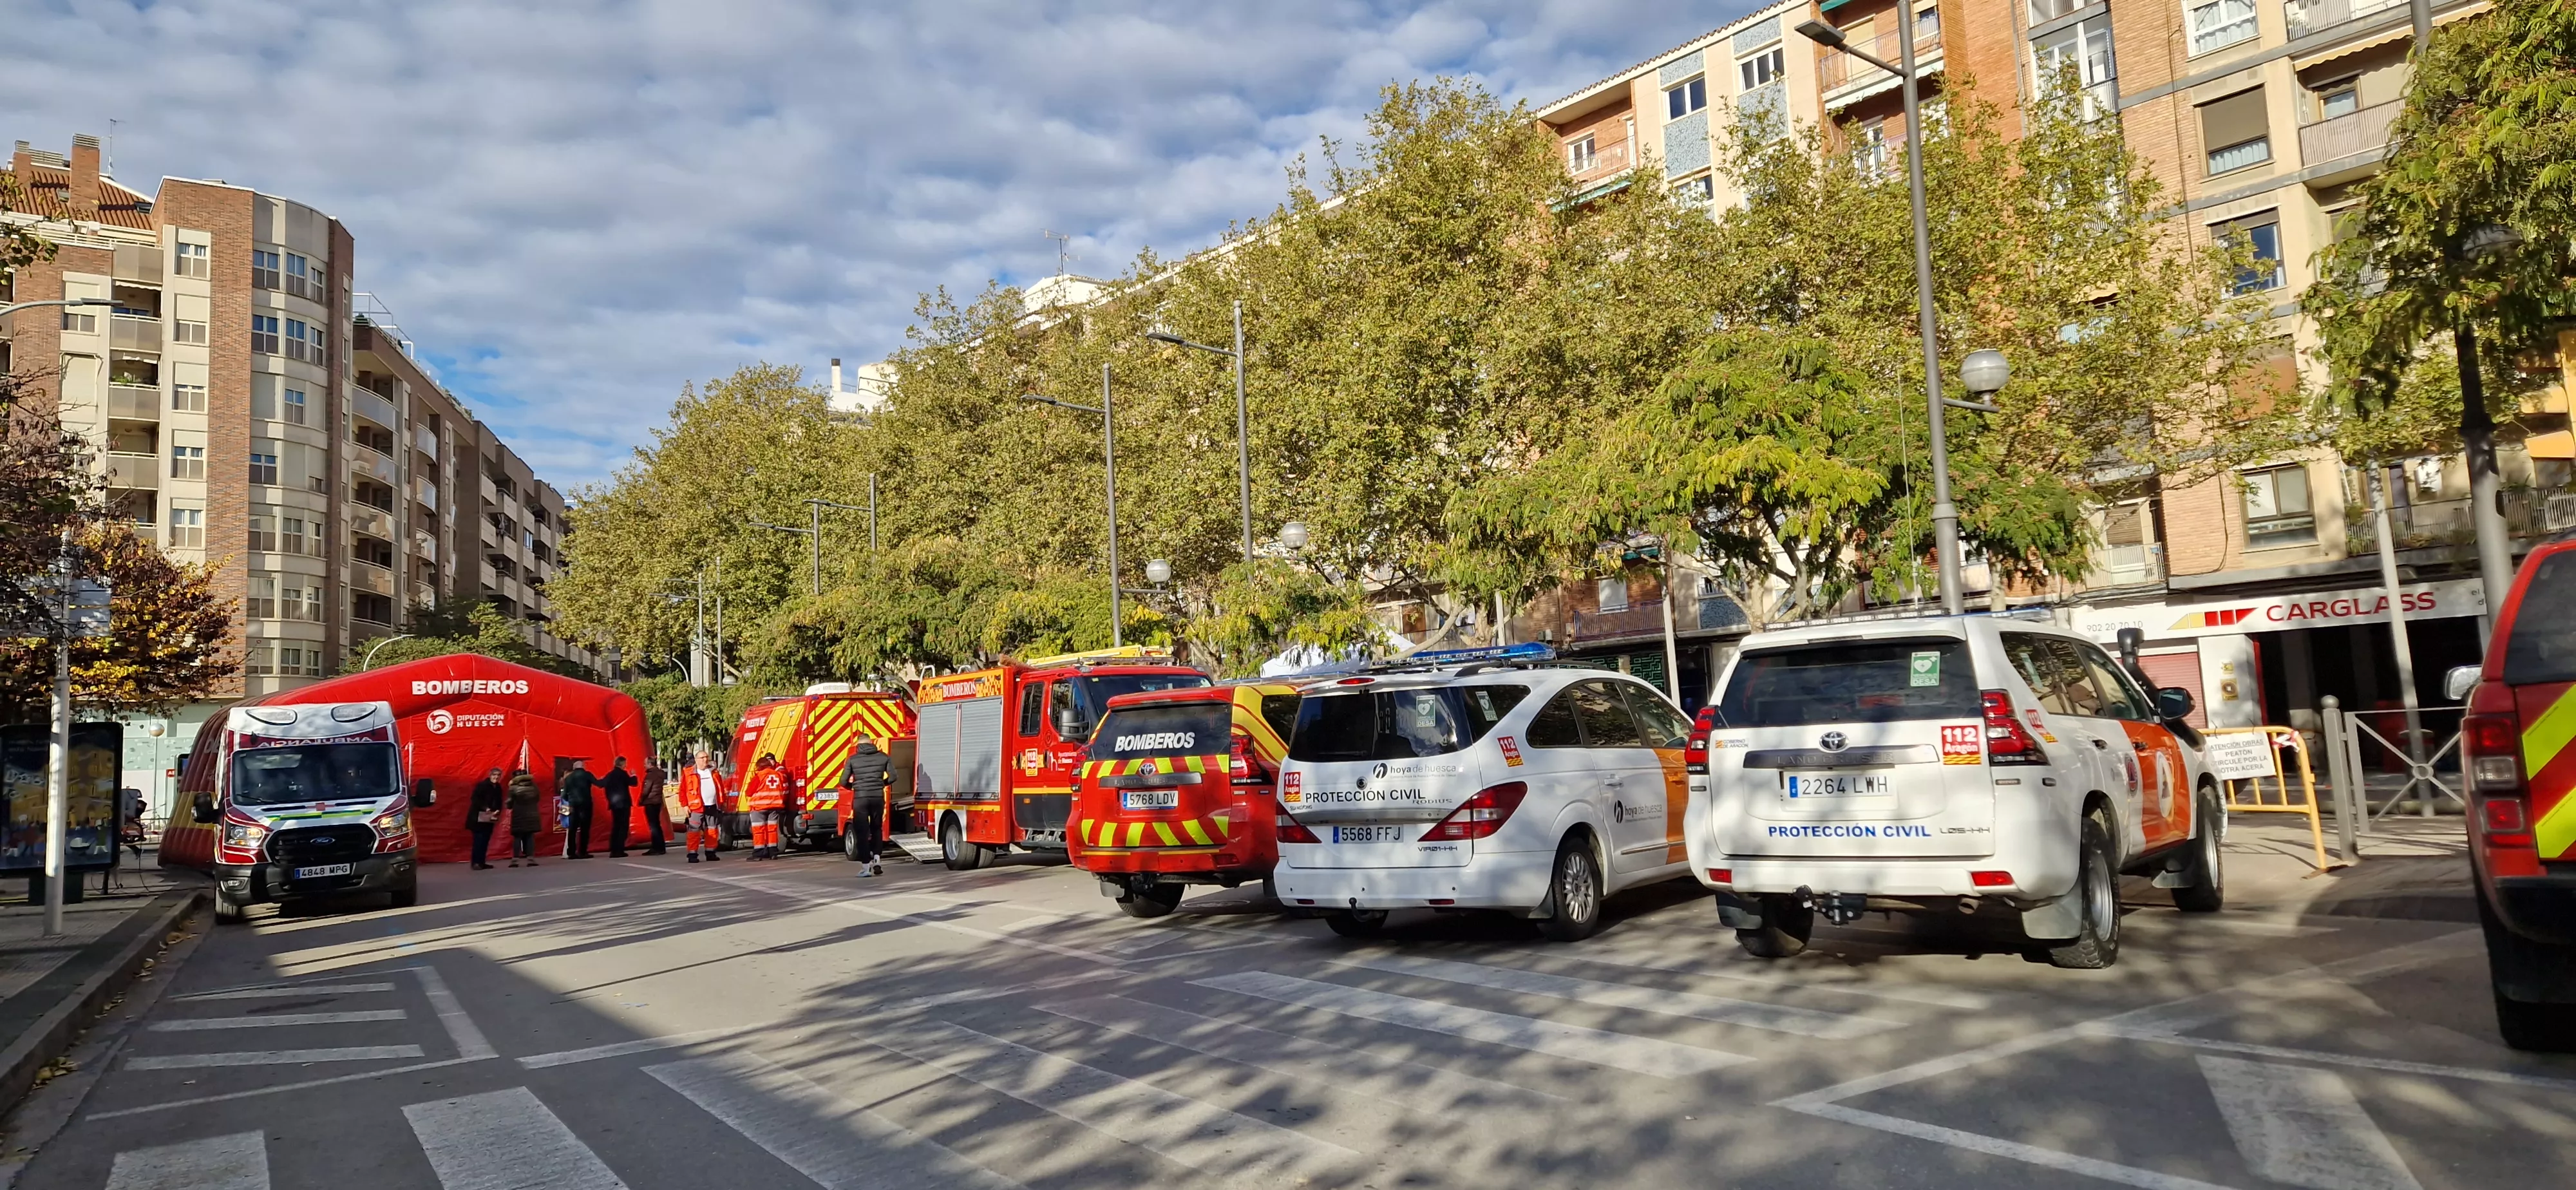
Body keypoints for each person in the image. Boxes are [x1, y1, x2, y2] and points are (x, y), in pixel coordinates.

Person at [841, 737, 892, 877]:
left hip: (861, 798)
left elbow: (843, 781)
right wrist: (881, 784)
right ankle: (877, 860)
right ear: (871, 743)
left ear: (858, 745)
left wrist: (854, 787)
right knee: (877, 828)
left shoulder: (852, 759)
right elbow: (894, 776)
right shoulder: (884, 757)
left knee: (862, 832)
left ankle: (866, 867)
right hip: (878, 797)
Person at [682, 751, 724, 863]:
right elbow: (682, 791)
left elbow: (720, 787)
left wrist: (721, 802)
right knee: (694, 831)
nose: (705, 760)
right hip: (696, 807)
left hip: (712, 805)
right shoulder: (688, 773)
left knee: (712, 830)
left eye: (706, 757)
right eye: (702, 758)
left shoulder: (714, 772)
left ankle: (711, 853)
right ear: (696, 760)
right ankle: (692, 854)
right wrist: (685, 805)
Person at [745, 753, 789, 860]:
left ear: (760, 766)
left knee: (759, 830)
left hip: (759, 808)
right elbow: (784, 789)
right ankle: (772, 852)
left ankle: (759, 853)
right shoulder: (778, 775)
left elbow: (749, 792)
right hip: (775, 807)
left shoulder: (759, 776)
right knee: (772, 830)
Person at [469, 768, 506, 871]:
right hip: (478, 817)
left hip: (490, 818)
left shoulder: (498, 787)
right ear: (490, 775)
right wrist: (485, 808)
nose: (496, 777)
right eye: (494, 775)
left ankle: (482, 862)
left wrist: (498, 810)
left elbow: (499, 801)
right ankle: (476, 863)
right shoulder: (482, 786)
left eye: (498, 775)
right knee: (479, 840)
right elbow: (475, 799)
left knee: (485, 840)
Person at [560, 759, 597, 859]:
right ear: (583, 767)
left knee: (573, 829)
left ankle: (571, 852)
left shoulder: (568, 778)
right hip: (586, 804)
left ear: (574, 768)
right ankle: (583, 852)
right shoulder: (587, 775)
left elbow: (564, 795)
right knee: (585, 828)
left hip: (573, 805)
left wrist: (570, 800)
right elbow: (598, 783)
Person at [506, 768, 542, 867]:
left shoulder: (514, 787)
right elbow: (538, 798)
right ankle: (531, 859)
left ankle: (515, 860)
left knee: (517, 837)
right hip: (532, 814)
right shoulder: (534, 786)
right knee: (530, 836)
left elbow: (509, 803)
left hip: (519, 814)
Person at [601, 757, 638, 858]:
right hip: (624, 804)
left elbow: (601, 784)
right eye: (625, 763)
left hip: (614, 804)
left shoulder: (610, 775)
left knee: (616, 827)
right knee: (623, 827)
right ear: (622, 764)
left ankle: (613, 849)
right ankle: (620, 849)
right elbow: (633, 783)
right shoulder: (623, 774)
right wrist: (634, 775)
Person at [640, 757, 669, 855]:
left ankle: (656, 847)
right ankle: (661, 847)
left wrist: (641, 800)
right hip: (657, 801)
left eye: (645, 764)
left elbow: (646, 789)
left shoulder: (651, 775)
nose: (644, 766)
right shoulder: (659, 774)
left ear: (650, 764)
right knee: (657, 825)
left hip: (650, 801)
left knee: (653, 826)